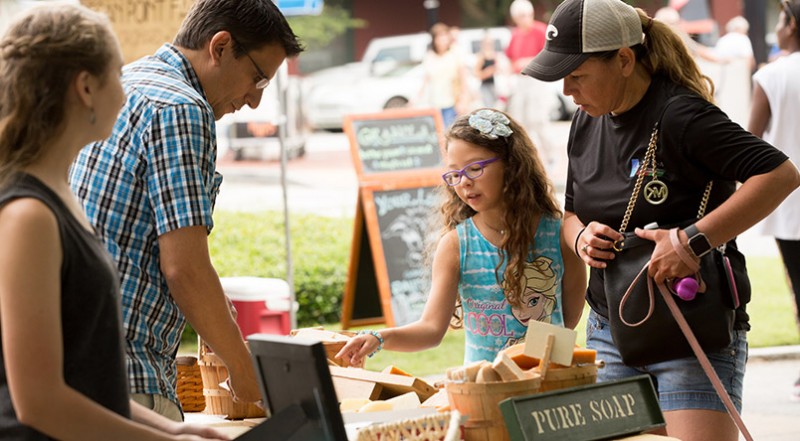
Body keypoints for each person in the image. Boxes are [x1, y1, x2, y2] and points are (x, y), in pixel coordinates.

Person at [523, 0, 800, 440]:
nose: (568, 90)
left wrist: (691, 240)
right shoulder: (585, 120)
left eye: (577, 76)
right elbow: (571, 211)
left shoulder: (682, 116)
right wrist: (581, 240)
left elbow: (780, 174)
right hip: (609, 330)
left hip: (690, 330)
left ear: (624, 60)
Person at [68, 0, 303, 420]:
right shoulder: (182, 108)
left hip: (75, 365)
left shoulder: (130, 80)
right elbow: (186, 269)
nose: (253, 102)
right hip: (128, 377)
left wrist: (219, 319)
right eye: (258, 79)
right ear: (221, 46)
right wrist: (246, 373)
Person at [0, 5, 227, 440]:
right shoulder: (28, 215)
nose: (124, 95)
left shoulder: (57, 195)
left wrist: (174, 431)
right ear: (85, 87)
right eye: (116, 76)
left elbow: (86, 383)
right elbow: (40, 402)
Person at [336, 108, 587, 367]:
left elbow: (568, 319)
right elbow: (431, 329)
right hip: (485, 392)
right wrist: (379, 337)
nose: (464, 182)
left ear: (512, 165)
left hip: (552, 387)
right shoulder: (457, 245)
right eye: (455, 174)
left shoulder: (558, 234)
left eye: (475, 168)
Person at [747, 0, 800, 402]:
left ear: (792, 24)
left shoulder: (772, 76)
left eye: (781, 18)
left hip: (790, 205)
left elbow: (749, 141)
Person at [504, 0, 557, 168]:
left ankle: (551, 157)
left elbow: (549, 54)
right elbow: (510, 57)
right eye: (520, 16)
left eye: (527, 14)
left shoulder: (540, 30)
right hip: (520, 81)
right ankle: (529, 158)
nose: (525, 18)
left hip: (538, 80)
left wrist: (525, 61)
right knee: (521, 121)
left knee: (539, 120)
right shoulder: (516, 35)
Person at [416, 22, 470, 128]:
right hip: (435, 103)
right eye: (440, 37)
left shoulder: (455, 52)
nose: (443, 40)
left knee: (450, 132)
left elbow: (463, 77)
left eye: (445, 36)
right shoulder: (430, 56)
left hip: (452, 102)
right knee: (438, 133)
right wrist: (416, 99)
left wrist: (463, 99)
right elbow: (426, 80)